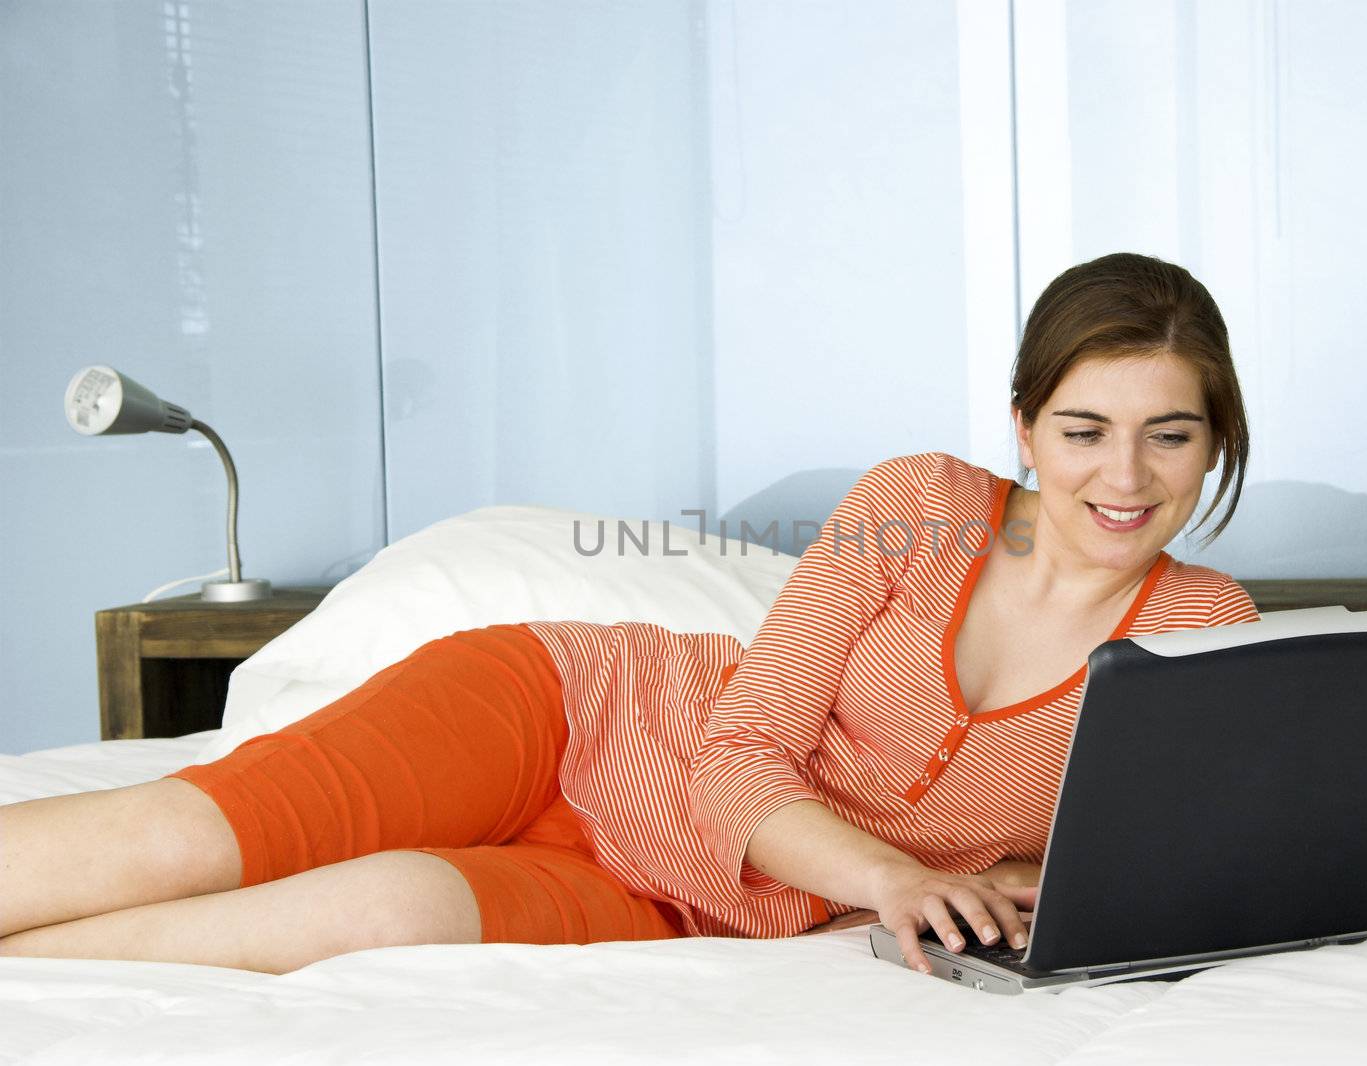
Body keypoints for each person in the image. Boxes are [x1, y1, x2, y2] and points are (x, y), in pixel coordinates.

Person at [0, 252, 1257, 976]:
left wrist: (1010, 872)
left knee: (376, 919)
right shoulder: (919, 504)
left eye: (1170, 435)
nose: (1124, 477)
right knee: (185, 834)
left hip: (694, 898)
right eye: (1085, 431)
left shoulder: (1203, 629)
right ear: (1026, 426)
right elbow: (740, 744)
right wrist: (890, 874)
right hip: (565, 714)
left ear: (1213, 449)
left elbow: (1157, 851)